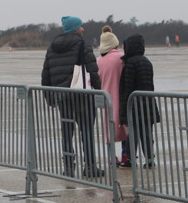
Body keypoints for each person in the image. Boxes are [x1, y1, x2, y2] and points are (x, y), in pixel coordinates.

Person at [41, 15, 104, 178]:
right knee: (87, 130)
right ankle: (90, 166)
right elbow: (92, 70)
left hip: (62, 96)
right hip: (82, 95)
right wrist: (100, 91)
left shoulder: (52, 46)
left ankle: (68, 166)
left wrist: (49, 97)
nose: (83, 28)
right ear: (75, 28)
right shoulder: (83, 44)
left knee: (67, 131)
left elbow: (46, 73)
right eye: (80, 26)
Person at [119, 34, 161, 167]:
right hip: (148, 102)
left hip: (134, 104)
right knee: (147, 133)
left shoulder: (130, 63)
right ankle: (150, 159)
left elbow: (127, 88)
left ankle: (131, 159)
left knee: (133, 133)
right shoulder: (146, 61)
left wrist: (123, 109)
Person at [95, 26, 130, 167]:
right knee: (125, 126)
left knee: (108, 128)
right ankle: (126, 155)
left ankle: (112, 156)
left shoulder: (98, 61)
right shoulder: (121, 58)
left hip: (106, 99)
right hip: (122, 96)